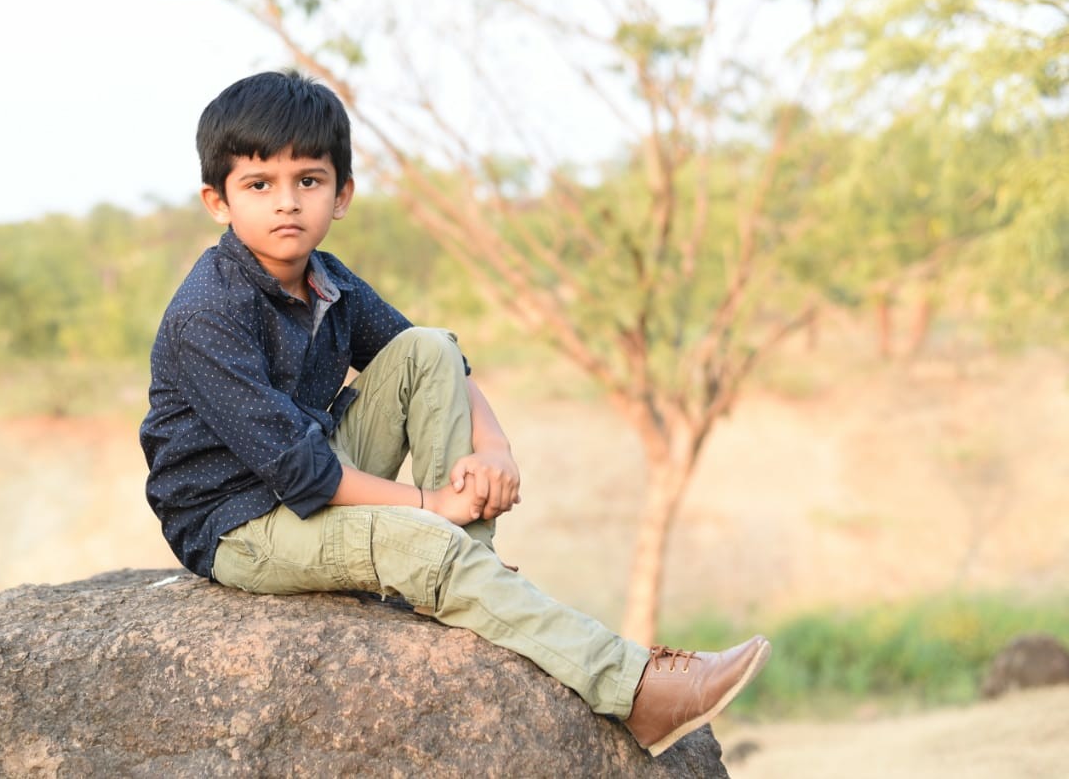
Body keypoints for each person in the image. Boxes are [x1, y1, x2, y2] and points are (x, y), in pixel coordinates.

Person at [139, 69, 770, 757]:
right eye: (260, 185)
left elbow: (436, 362)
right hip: (240, 522)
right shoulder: (207, 313)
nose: (287, 203)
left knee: (427, 347)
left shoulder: (329, 278)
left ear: (341, 194)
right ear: (219, 201)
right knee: (424, 537)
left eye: (309, 181)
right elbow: (300, 470)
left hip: (312, 471)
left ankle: (467, 572)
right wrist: (428, 507)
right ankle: (636, 690)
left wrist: (494, 448)